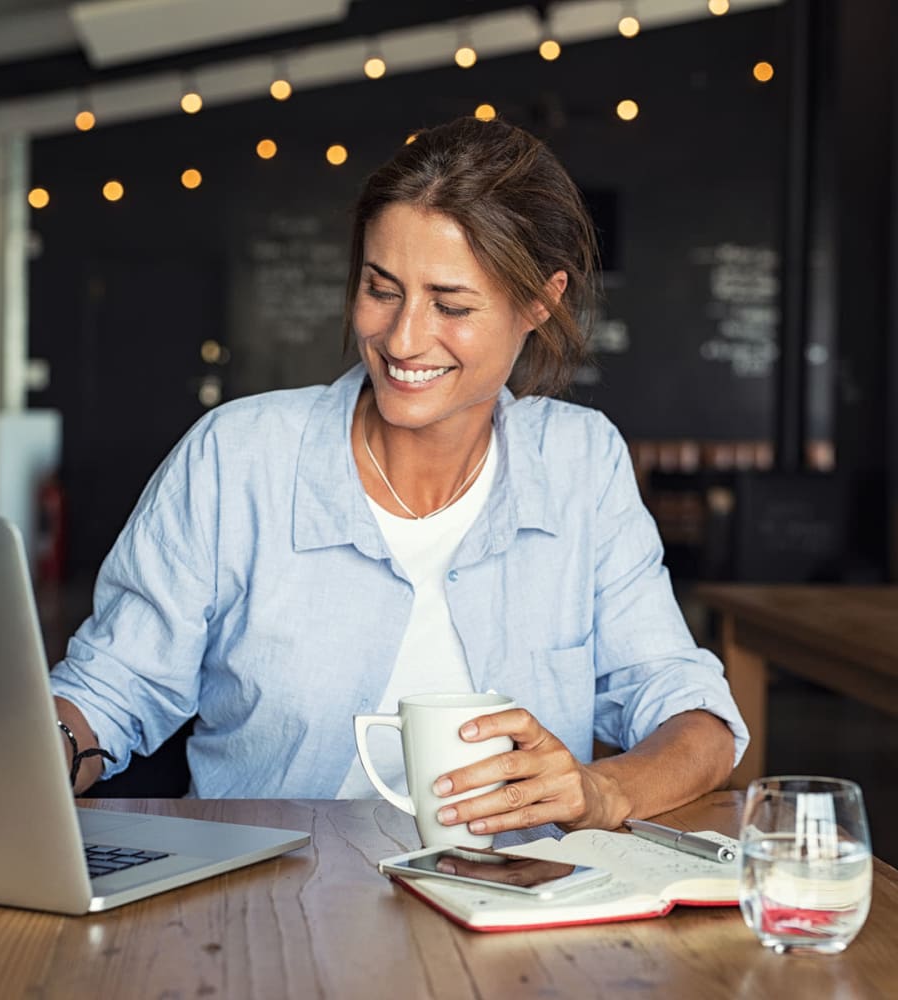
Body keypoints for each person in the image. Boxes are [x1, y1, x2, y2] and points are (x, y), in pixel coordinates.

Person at [51, 116, 747, 841]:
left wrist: (601, 790)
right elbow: (111, 688)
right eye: (382, 290)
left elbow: (695, 719)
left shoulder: (580, 464)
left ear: (540, 303)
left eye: (451, 305)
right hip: (269, 914)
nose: (404, 338)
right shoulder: (239, 456)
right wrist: (33, 753)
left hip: (519, 922)